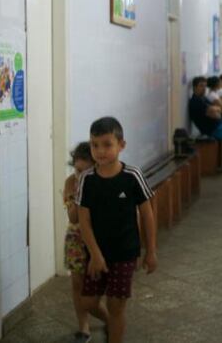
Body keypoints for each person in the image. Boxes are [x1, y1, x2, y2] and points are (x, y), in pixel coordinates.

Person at [77, 117, 158, 343]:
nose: (100, 151)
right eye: (95, 145)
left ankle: (115, 334)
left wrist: (151, 250)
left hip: (125, 252)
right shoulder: (87, 180)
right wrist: (94, 254)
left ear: (121, 145)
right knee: (89, 302)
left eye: (107, 144)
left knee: (116, 305)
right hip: (96, 253)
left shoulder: (132, 176)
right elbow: (84, 220)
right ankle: (111, 325)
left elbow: (147, 214)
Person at [62, 142, 108, 343]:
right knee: (77, 284)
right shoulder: (71, 183)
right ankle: (84, 328)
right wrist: (80, 188)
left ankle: (110, 319)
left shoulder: (105, 182)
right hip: (76, 239)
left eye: (85, 170)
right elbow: (73, 217)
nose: (79, 174)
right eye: (77, 169)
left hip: (100, 240)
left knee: (95, 291)